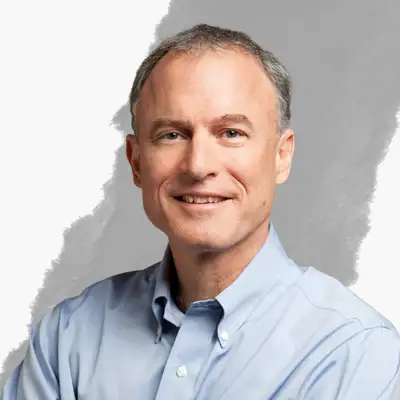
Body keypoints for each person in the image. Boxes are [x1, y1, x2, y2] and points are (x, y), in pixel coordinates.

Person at [1, 23, 400, 400]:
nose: (198, 165)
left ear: (282, 156)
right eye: (172, 134)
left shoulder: (355, 352)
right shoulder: (67, 338)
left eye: (231, 133)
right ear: (136, 162)